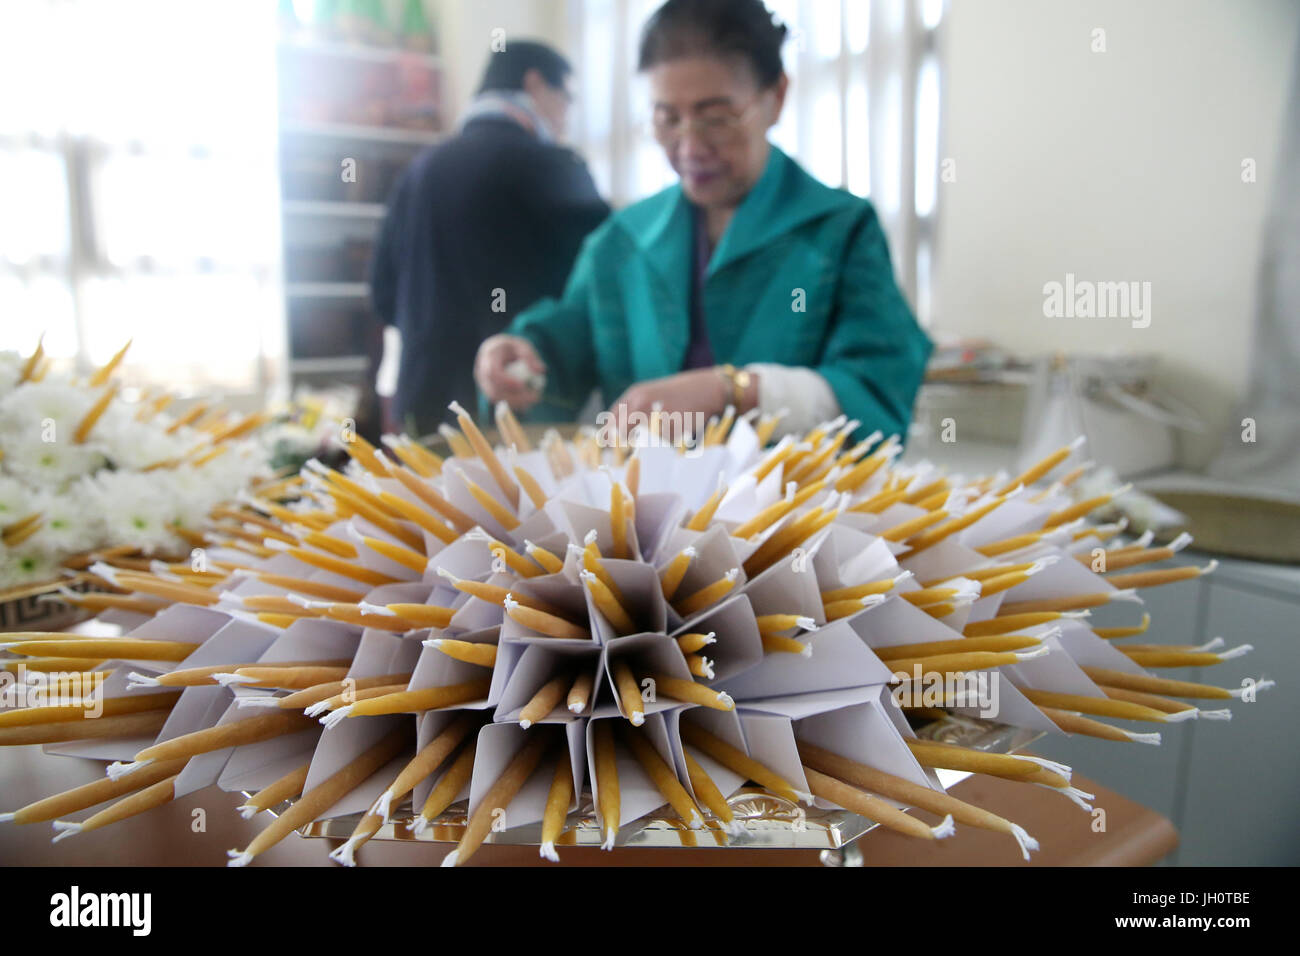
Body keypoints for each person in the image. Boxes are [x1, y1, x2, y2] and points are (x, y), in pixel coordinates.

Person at [474, 0, 932, 444]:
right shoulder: (622, 241)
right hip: (642, 517)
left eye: (716, 118)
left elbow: (877, 397)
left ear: (776, 98)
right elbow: (564, 348)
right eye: (667, 119)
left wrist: (731, 390)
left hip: (794, 515)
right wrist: (517, 359)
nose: (689, 146)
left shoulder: (838, 230)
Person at [370, 40, 610, 437]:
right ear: (535, 85)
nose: (566, 119)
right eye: (566, 99)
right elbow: (603, 288)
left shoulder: (418, 171)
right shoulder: (553, 166)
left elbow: (382, 293)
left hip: (422, 405)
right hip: (514, 414)